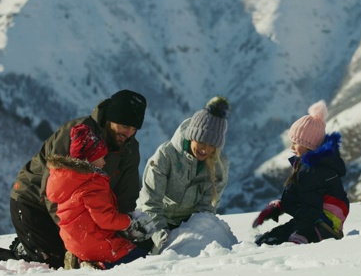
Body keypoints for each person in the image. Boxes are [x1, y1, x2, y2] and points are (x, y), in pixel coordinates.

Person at [10, 89, 147, 268]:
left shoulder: (129, 148)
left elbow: (125, 195)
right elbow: (55, 192)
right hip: (34, 202)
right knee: (54, 263)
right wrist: (74, 240)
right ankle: (8, 252)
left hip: (78, 212)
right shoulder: (78, 135)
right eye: (123, 126)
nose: (128, 133)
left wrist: (124, 229)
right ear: (110, 119)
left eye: (133, 129)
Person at [45, 124, 155, 270]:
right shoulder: (92, 184)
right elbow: (106, 219)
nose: (104, 162)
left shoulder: (68, 180)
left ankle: (86, 260)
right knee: (141, 258)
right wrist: (128, 222)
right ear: (89, 160)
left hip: (73, 242)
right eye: (102, 157)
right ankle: (100, 265)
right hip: (95, 243)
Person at [136, 96, 231, 254]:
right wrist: (161, 236)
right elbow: (150, 202)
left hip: (185, 225)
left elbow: (206, 209)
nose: (205, 149)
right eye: (202, 141)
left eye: (212, 145)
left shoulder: (219, 164)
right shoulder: (166, 155)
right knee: (139, 255)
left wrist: (190, 232)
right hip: (150, 220)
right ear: (192, 135)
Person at [252, 100, 349, 246]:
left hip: (322, 224)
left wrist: (301, 234)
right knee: (265, 240)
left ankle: (312, 235)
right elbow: (301, 196)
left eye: (295, 142)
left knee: (267, 242)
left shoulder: (313, 171)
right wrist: (279, 207)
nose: (291, 147)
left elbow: (312, 208)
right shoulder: (311, 166)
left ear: (309, 145)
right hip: (318, 220)